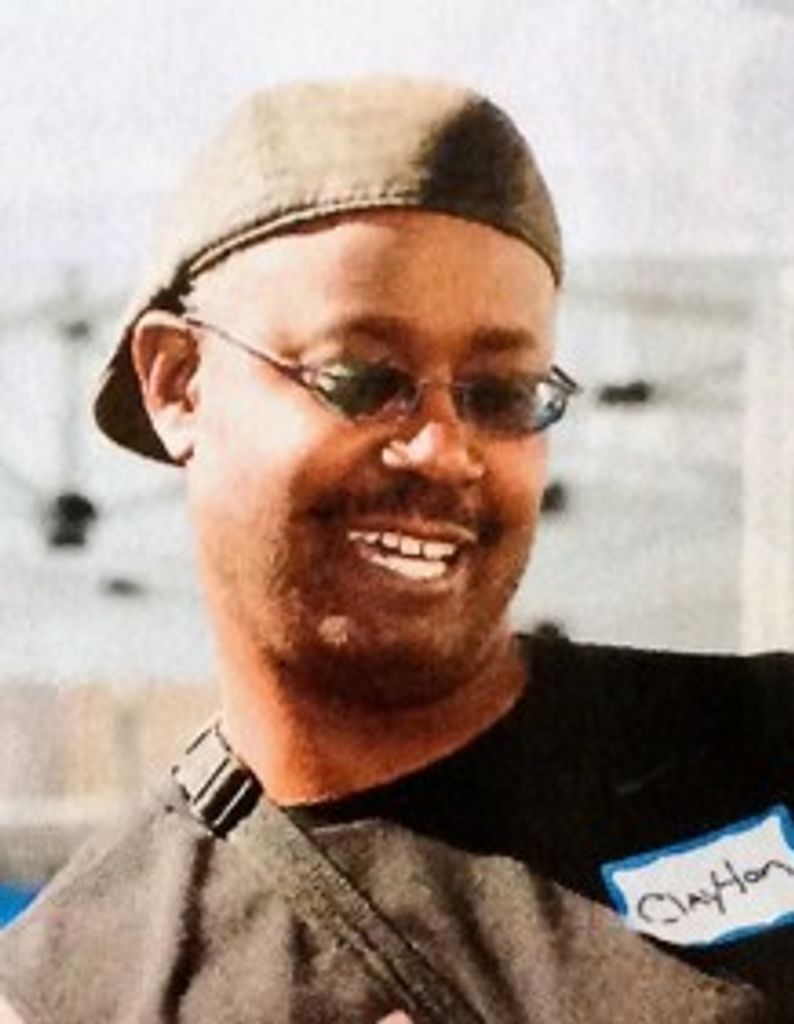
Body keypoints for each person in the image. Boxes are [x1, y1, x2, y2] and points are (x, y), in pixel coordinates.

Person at [1, 76, 793, 1024]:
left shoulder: (761, 749)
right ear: (177, 382)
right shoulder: (79, 985)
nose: (444, 450)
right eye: (363, 378)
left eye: (501, 392)